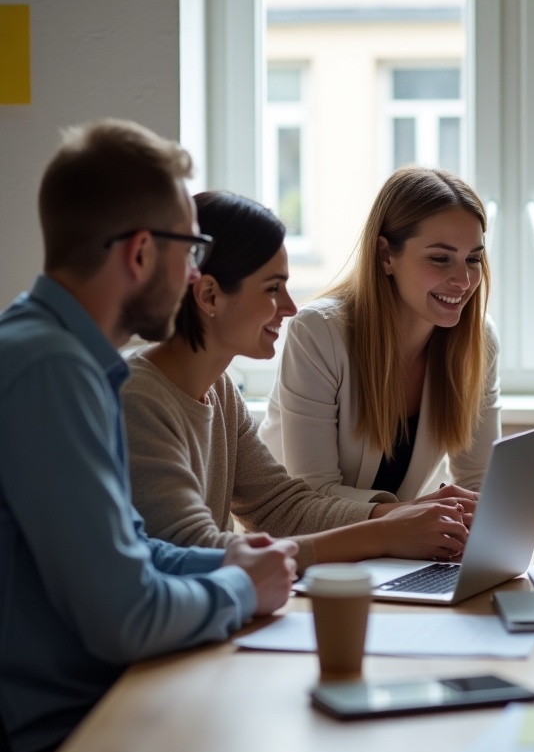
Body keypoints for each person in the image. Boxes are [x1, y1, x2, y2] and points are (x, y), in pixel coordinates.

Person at [0, 121, 297, 752]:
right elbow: (125, 617)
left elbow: (129, 547)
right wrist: (238, 589)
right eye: (191, 249)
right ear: (140, 252)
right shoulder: (50, 370)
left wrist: (229, 558)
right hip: (49, 747)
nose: (197, 274)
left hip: (83, 715)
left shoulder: (64, 356)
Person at [123, 191, 470, 572]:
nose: (289, 308)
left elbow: (281, 508)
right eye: (273, 289)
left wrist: (401, 518)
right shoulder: (138, 397)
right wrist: (385, 532)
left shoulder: (220, 391)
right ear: (209, 295)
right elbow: (194, 550)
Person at [258, 165, 500, 508]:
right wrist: (417, 518)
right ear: (386, 255)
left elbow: (480, 480)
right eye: (440, 258)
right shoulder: (318, 332)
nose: (463, 280)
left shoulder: (478, 341)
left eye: (473, 258)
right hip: (301, 548)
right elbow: (313, 496)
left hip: (396, 554)